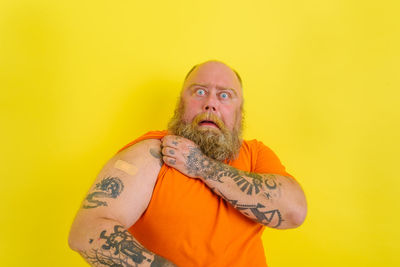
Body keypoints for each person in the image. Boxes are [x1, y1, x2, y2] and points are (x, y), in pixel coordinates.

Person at [68, 60, 307, 267]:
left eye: (224, 95)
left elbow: (294, 211)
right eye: (200, 92)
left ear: (239, 112)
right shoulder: (153, 152)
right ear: (180, 104)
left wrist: (201, 166)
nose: (211, 103)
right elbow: (86, 231)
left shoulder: (255, 155)